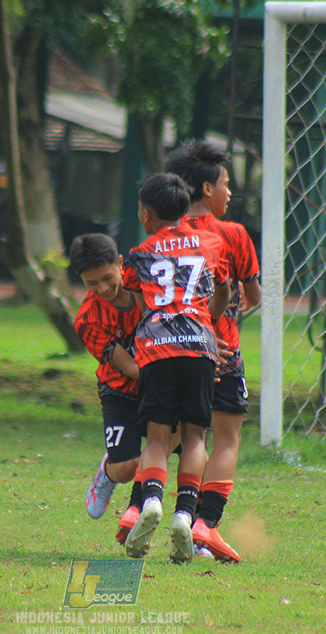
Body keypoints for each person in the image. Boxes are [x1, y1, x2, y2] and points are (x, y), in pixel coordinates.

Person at [121, 172, 230, 564]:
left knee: (156, 439)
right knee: (196, 436)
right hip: (200, 348)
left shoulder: (141, 251)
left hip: (156, 348)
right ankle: (185, 514)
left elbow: (132, 301)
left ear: (147, 215)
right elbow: (223, 292)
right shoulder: (211, 243)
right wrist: (207, 324)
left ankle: (151, 500)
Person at [165, 139, 261, 564]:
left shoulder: (164, 233)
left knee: (180, 436)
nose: (229, 193)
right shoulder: (234, 234)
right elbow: (254, 295)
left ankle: (156, 505)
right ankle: (206, 525)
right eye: (225, 184)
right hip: (220, 352)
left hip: (170, 350)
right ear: (207, 189)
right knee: (226, 436)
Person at [70, 233, 145, 540]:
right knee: (127, 467)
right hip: (120, 390)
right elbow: (129, 367)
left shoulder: (146, 283)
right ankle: (108, 471)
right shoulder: (87, 320)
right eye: (91, 284)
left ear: (120, 264)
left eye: (107, 278)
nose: (102, 289)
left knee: (182, 445)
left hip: (159, 383)